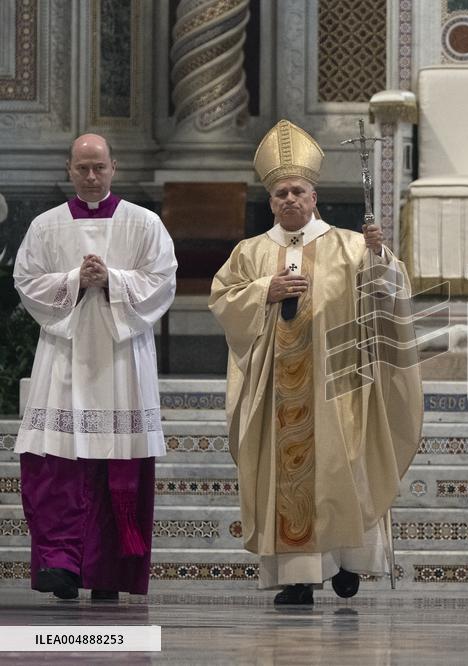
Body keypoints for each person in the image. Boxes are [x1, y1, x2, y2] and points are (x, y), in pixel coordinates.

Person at [209, 119, 423, 606]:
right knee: (291, 478)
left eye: (297, 190)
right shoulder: (251, 252)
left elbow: (388, 298)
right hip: (277, 391)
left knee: (344, 470)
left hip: (339, 384)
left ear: (314, 195)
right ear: (270, 201)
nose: (289, 199)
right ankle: (300, 577)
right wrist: (267, 290)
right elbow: (224, 300)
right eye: (281, 192)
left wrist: (381, 256)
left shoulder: (349, 245)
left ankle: (350, 564)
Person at [14, 133, 177, 601]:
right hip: (64, 357)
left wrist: (112, 280)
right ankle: (61, 566)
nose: (90, 176)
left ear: (114, 167)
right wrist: (72, 280)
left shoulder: (143, 223)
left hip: (122, 360)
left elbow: (162, 280)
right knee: (56, 464)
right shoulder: (46, 227)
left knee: (117, 467)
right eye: (82, 168)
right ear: (69, 170)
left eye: (99, 167)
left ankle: (111, 573)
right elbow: (25, 281)